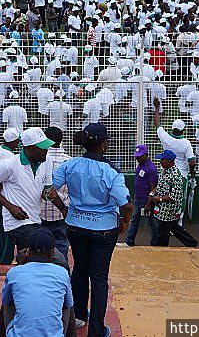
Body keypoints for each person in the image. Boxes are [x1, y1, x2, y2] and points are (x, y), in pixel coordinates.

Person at [52, 123, 133, 337]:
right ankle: (96, 330)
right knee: (99, 278)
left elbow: (50, 189)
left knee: (79, 270)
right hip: (104, 230)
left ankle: (78, 317)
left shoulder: (71, 165)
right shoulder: (111, 171)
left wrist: (64, 209)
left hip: (75, 225)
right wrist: (125, 223)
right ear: (104, 145)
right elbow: (126, 204)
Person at [0, 127, 64, 260]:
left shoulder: (47, 160)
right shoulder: (9, 164)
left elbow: (47, 189)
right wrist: (10, 207)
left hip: (35, 219)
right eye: (42, 147)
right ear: (29, 148)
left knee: (32, 258)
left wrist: (62, 208)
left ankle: (22, 272)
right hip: (17, 222)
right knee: (54, 258)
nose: (46, 150)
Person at [1, 228, 74, 337]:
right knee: (68, 306)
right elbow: (68, 303)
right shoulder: (62, 273)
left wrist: (20, 264)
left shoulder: (14, 273)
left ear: (29, 251)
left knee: (7, 303)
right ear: (52, 252)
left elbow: (6, 300)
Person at [147, 149, 199, 248]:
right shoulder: (164, 171)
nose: (160, 161)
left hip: (169, 208)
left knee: (163, 231)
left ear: (169, 161)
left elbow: (175, 195)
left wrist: (160, 199)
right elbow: (161, 185)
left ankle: (162, 249)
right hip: (162, 207)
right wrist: (154, 192)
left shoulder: (175, 175)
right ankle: (191, 242)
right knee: (173, 227)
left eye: (162, 159)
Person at [40, 126, 71, 261]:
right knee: (61, 246)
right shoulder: (69, 161)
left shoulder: (39, 159)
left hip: (39, 212)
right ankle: (60, 272)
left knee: (39, 248)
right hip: (61, 212)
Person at [0, 128, 20, 265]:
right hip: (6, 195)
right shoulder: (9, 156)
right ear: (12, 141)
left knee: (2, 226)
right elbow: (2, 178)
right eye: (17, 140)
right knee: (9, 227)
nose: (18, 142)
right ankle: (6, 257)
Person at [124, 144, 158, 246]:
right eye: (136, 157)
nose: (137, 158)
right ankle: (129, 241)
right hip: (138, 198)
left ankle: (155, 243)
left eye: (139, 156)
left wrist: (149, 202)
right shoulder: (140, 165)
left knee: (152, 223)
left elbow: (153, 187)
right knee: (134, 220)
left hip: (146, 200)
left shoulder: (151, 168)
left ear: (146, 155)